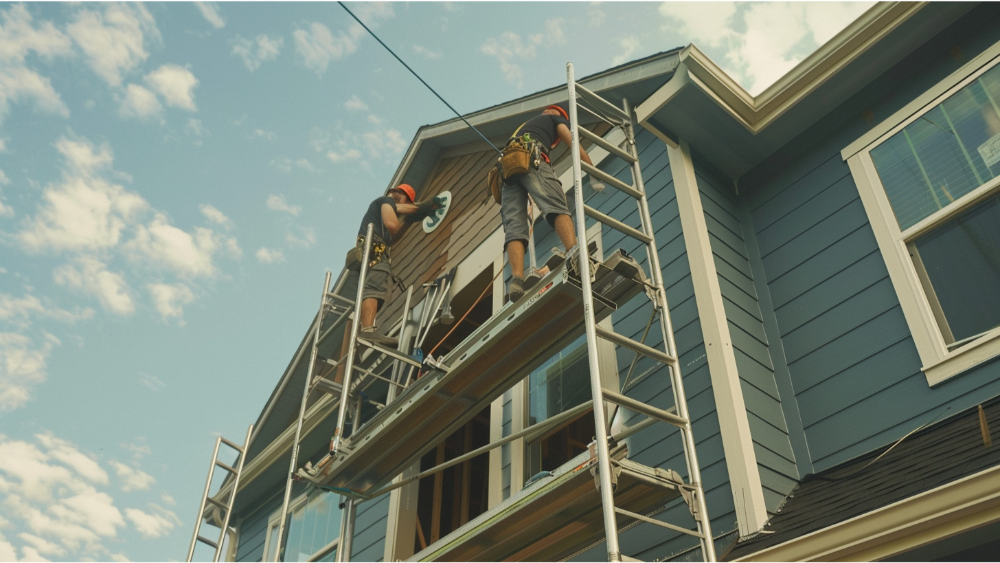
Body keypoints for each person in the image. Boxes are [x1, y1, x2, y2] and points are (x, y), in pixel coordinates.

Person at [501, 105, 593, 302]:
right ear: (553, 112)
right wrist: (592, 170)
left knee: (514, 226)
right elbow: (572, 143)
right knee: (555, 202)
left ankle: (516, 280)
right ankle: (574, 252)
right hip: (530, 156)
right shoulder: (554, 119)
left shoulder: (524, 127)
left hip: (506, 167)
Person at [353, 184, 425, 345]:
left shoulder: (381, 213)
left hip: (368, 252)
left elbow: (393, 237)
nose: (396, 194)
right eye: (395, 192)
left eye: (402, 193)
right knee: (375, 286)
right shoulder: (385, 201)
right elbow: (393, 225)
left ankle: (366, 328)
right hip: (374, 249)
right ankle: (367, 330)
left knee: (373, 288)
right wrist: (420, 208)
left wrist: (409, 219)